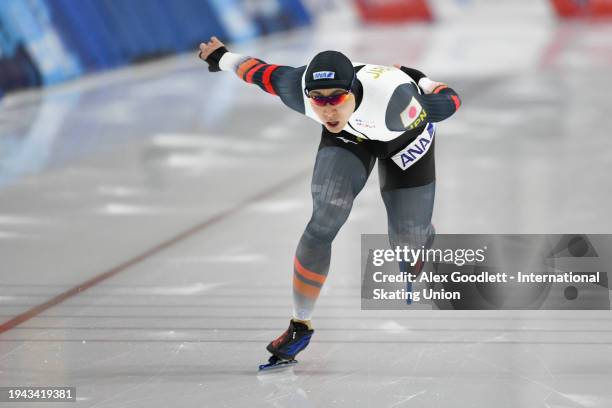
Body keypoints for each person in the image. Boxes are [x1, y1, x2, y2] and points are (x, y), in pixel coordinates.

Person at [198, 36, 461, 367]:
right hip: (349, 137)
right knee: (324, 218)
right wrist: (220, 56)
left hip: (403, 139)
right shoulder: (297, 90)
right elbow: (259, 72)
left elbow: (450, 101)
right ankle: (299, 325)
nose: (327, 108)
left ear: (351, 91)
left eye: (336, 97)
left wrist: (420, 79)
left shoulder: (400, 105)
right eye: (318, 100)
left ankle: (419, 238)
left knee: (407, 248)